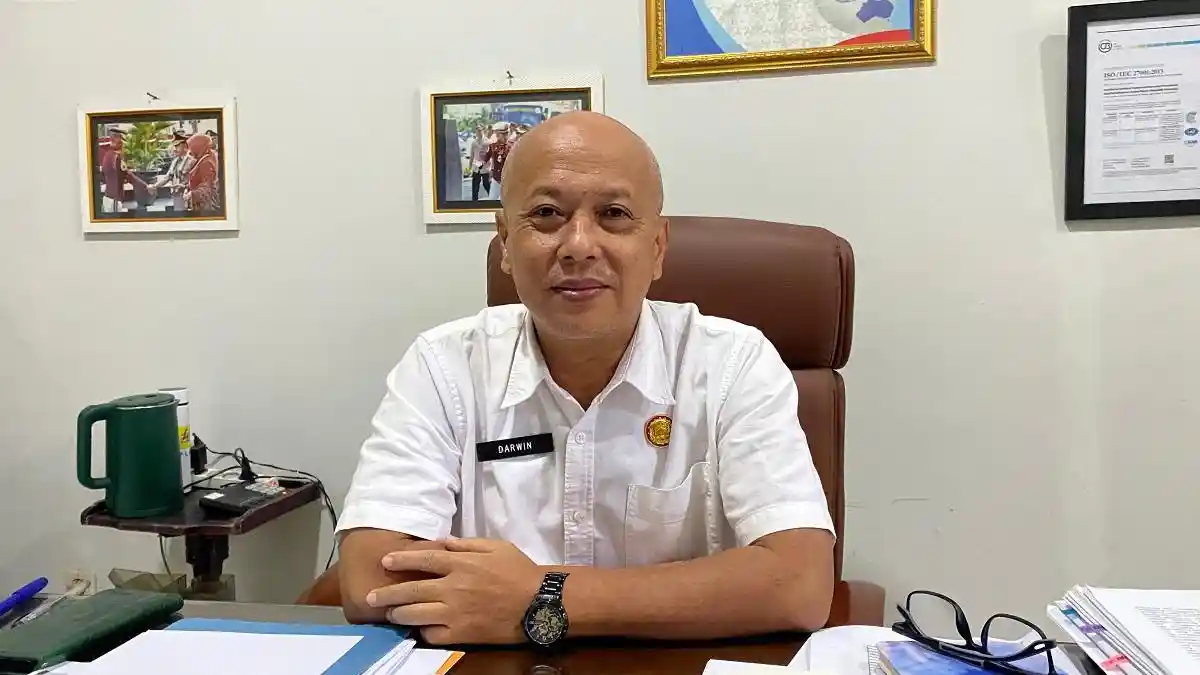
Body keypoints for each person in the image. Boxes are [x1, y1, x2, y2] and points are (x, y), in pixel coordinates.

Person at [336, 111, 835, 647]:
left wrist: (540, 598)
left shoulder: (733, 363)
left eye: (613, 215)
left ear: (658, 247)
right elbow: (371, 578)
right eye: (546, 214)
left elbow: (799, 582)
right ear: (505, 243)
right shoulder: (443, 367)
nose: (578, 245)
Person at [183, 134, 220, 215]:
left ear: (197, 147)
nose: (189, 151)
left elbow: (207, 186)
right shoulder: (205, 157)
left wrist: (191, 194)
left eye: (191, 147)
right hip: (203, 203)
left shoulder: (206, 163)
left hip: (206, 206)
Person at [480, 121, 513, 187]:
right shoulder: (493, 145)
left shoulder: (511, 146)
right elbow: (487, 156)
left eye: (498, 134)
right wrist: (482, 163)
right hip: (496, 178)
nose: (497, 135)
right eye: (497, 134)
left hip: (507, 179)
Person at [465, 125, 492, 201]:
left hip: (485, 167)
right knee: (475, 187)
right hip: (476, 167)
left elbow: (491, 155)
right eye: (477, 131)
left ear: (483, 131)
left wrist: (491, 168)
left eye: (480, 130)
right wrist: (469, 168)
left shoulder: (488, 142)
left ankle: (493, 199)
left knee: (486, 184)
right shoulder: (474, 142)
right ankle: (474, 202)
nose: (478, 132)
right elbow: (472, 155)